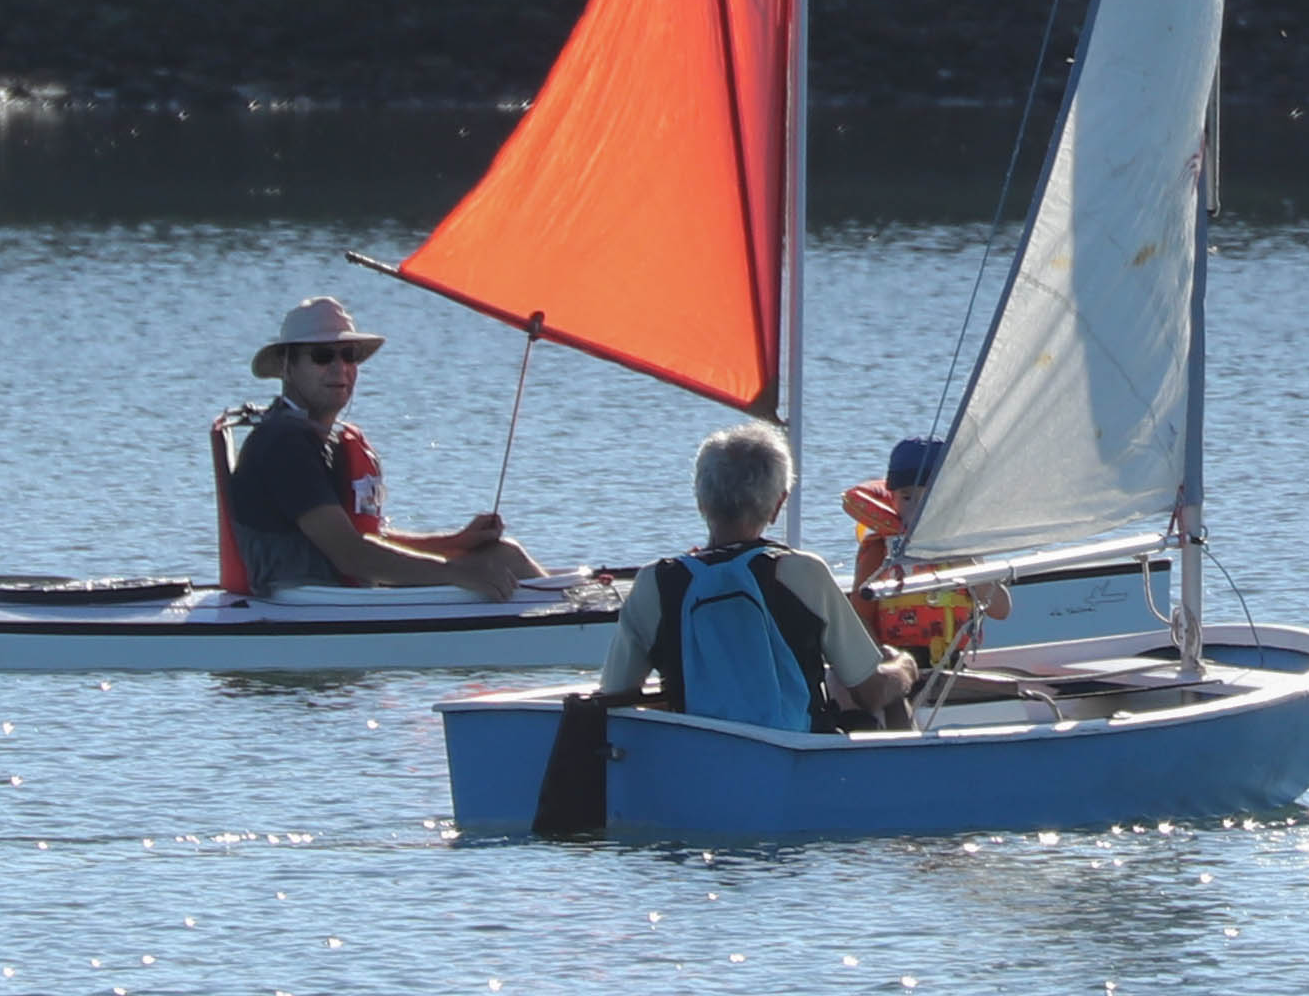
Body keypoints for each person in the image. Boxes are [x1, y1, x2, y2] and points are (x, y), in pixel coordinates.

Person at [215, 296, 539, 597]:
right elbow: (350, 555)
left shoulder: (322, 438)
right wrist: (456, 572)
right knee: (497, 564)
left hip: (341, 597)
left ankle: (569, 609)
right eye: (322, 356)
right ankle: (570, 622)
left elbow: (363, 537)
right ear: (287, 366)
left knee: (502, 553)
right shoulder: (284, 444)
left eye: (349, 355)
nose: (339, 367)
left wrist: (454, 543)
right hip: (308, 603)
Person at [601, 422, 906, 730]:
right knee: (889, 696)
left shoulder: (654, 583)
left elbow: (615, 695)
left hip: (698, 763)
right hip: (798, 759)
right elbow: (871, 692)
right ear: (778, 505)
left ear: (700, 501)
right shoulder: (803, 573)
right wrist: (904, 670)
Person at [837, 436, 1011, 665]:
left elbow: (1001, 609)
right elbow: (860, 617)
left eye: (929, 498)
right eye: (907, 497)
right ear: (892, 498)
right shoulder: (880, 550)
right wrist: (881, 664)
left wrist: (959, 560)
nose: (917, 508)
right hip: (899, 663)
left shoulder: (961, 548)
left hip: (954, 665)